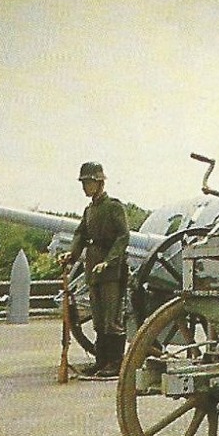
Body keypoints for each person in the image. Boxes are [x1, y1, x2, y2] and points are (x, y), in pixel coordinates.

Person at [59, 161, 130, 379]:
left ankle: (116, 363)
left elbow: (123, 236)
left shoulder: (114, 206)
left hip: (110, 269)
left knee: (111, 318)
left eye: (88, 182)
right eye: (83, 183)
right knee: (99, 318)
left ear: (99, 183)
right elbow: (80, 234)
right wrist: (71, 254)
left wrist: (109, 261)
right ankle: (101, 361)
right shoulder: (89, 210)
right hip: (93, 266)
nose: (84, 187)